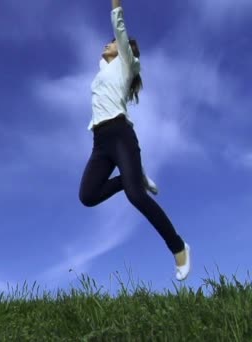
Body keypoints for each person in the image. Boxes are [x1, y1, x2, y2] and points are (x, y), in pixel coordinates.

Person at [78, 0, 191, 280]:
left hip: (120, 135)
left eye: (112, 43)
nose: (106, 45)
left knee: (135, 196)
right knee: (88, 195)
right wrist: (106, 55)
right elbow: (104, 57)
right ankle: (134, 177)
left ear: (124, 48)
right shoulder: (103, 71)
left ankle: (179, 248)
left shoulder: (128, 63)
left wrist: (116, 6)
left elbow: (119, 26)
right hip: (100, 142)